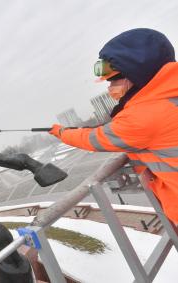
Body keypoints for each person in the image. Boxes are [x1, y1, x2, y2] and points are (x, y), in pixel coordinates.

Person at [48, 28, 178, 223]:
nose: (110, 87)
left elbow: (93, 139)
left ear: (137, 74)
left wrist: (60, 131)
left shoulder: (142, 117)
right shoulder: (167, 96)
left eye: (113, 80)